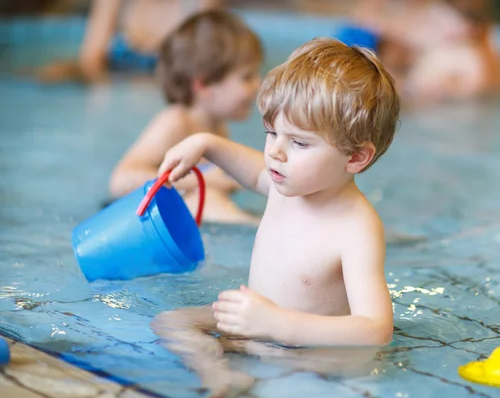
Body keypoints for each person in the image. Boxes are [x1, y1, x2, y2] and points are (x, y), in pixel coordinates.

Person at [151, 37, 400, 396]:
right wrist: (206, 144)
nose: (275, 153)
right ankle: (218, 374)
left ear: (356, 157)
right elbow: (252, 173)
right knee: (170, 322)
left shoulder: (356, 227)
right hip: (254, 325)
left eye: (299, 143)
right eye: (271, 133)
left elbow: (376, 329)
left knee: (308, 375)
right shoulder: (289, 185)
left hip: (308, 348)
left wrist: (279, 325)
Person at [109, 9, 263, 225]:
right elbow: (120, 179)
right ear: (203, 85)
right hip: (132, 222)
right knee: (206, 198)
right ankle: (254, 226)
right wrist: (204, 181)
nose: (258, 85)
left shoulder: (217, 127)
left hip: (182, 217)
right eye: (247, 77)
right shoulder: (176, 121)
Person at [339, 0, 500, 105]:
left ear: (467, 28)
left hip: (434, 104)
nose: (434, 24)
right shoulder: (476, 49)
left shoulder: (463, 58)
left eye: (438, 21)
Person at [37, 0, 222, 83]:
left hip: (169, 83)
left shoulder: (200, 2)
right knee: (50, 73)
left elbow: (201, 67)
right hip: (117, 74)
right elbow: (91, 59)